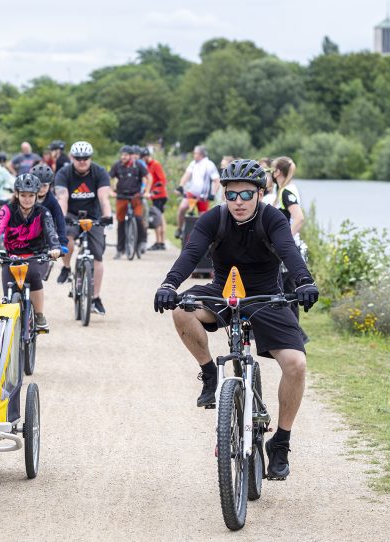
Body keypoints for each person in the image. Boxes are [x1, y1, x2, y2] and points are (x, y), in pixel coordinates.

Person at [153, 158, 319, 481]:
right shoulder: (213, 219)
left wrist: (303, 281)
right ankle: (209, 374)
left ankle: (280, 443)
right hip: (223, 291)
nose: (238, 202)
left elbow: (288, 251)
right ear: (224, 195)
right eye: (231, 195)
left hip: (267, 297)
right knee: (180, 310)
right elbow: (190, 253)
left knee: (296, 364)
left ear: (260, 193)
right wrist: (169, 284)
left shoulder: (272, 219)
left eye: (246, 195)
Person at [0, 173, 62, 330]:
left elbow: (50, 232)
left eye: (31, 195)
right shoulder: (7, 210)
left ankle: (39, 315)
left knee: (33, 274)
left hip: (37, 256)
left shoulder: (43, 212)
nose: (27, 199)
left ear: (36, 195)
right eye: (23, 195)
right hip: (11, 257)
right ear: (17, 194)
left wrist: (55, 248)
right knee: (8, 286)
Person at [54, 141, 113, 315]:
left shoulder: (99, 172)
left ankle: (95, 298)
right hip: (71, 213)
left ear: (90, 158)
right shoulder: (64, 173)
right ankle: (66, 267)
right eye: (78, 158)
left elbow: (104, 198)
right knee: (67, 239)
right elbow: (62, 198)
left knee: (98, 256)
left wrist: (107, 217)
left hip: (93, 215)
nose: (82, 161)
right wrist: (61, 218)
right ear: (72, 158)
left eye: (85, 158)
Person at [272, 156, 306, 325]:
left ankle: (295, 336)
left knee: (288, 293)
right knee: (284, 292)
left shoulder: (286, 191)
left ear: (277, 172)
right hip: (285, 249)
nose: (270, 173)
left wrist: (284, 241)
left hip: (288, 250)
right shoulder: (284, 189)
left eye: (272, 170)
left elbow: (299, 218)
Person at [110, 145, 149, 258]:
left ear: (131, 156)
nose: (123, 157)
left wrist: (146, 191)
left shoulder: (139, 165)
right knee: (121, 222)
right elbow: (109, 177)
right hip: (121, 196)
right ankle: (120, 249)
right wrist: (112, 190)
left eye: (126, 155)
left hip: (136, 196)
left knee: (138, 218)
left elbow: (148, 177)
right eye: (122, 155)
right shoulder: (117, 165)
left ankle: (141, 241)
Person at [174, 145, 220, 239]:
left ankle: (203, 236)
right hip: (192, 193)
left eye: (195, 153)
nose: (193, 155)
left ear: (201, 154)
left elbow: (217, 180)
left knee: (203, 218)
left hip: (203, 196)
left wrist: (213, 193)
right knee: (182, 208)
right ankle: (179, 229)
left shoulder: (209, 164)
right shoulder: (193, 163)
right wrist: (181, 186)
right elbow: (186, 175)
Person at [30, 163, 69, 253]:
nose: (41, 188)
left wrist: (62, 242)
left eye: (45, 185)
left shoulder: (52, 201)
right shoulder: (25, 198)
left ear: (50, 186)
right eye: (38, 185)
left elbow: (60, 221)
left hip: (45, 235)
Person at [142, 147, 168, 251]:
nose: (143, 159)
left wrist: (155, 189)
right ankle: (161, 242)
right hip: (155, 196)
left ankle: (159, 242)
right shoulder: (147, 166)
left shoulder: (155, 164)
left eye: (145, 157)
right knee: (161, 218)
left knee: (157, 219)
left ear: (148, 156)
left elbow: (162, 180)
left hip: (159, 195)